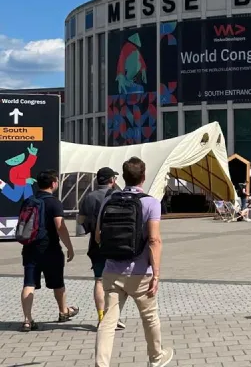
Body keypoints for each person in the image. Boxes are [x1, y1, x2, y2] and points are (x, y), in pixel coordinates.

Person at [95, 157, 174, 367]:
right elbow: (154, 240)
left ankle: (101, 364)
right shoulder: (150, 202)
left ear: (124, 176)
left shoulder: (108, 200)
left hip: (112, 270)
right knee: (149, 317)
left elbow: (97, 237)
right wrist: (156, 274)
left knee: (108, 322)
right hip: (140, 272)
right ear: (144, 177)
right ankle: (156, 358)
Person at [20, 170, 79, 332]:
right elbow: (60, 226)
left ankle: (27, 320)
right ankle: (63, 311)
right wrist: (70, 247)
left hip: (30, 248)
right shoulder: (54, 202)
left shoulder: (29, 201)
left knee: (29, 283)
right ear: (53, 183)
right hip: (50, 249)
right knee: (58, 283)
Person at [77, 167, 125, 329]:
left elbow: (80, 223)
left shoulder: (89, 197)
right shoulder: (117, 195)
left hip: (96, 246)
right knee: (116, 283)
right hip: (117, 244)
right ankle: (114, 317)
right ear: (111, 180)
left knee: (99, 280)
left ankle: (101, 317)